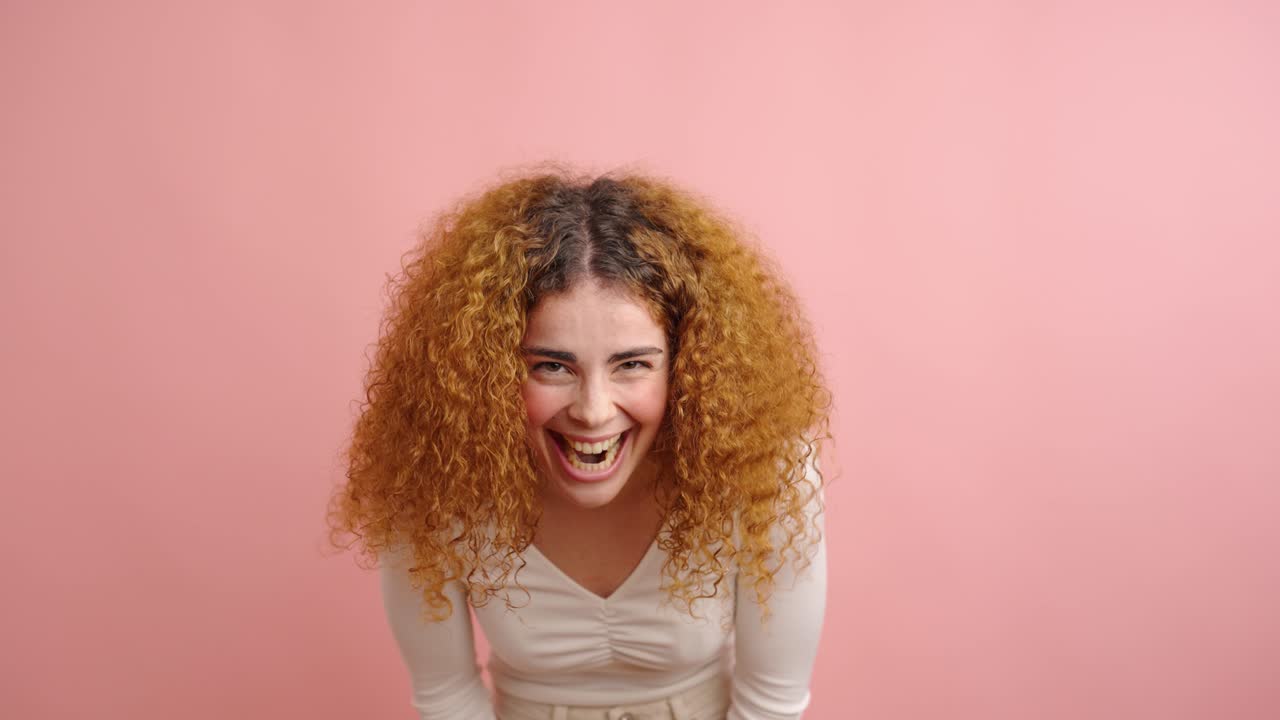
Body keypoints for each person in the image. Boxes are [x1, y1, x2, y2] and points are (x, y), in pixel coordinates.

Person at [328, 169, 832, 720]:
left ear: (685, 368)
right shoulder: (436, 475)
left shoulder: (763, 471)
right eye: (551, 366)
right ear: (488, 371)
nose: (593, 411)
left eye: (632, 365)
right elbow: (446, 694)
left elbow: (771, 703)